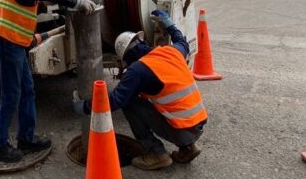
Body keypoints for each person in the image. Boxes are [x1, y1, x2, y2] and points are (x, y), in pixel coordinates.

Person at [0, 0, 97, 163]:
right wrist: (74, 1)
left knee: (28, 90)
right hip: (7, 42)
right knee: (11, 95)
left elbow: (24, 1)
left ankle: (26, 138)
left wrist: (48, 6)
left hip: (15, 43)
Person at [73, 9, 207, 170]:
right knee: (158, 100)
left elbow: (116, 100)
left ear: (127, 57)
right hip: (199, 126)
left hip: (182, 131)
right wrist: (169, 24)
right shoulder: (171, 52)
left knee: (129, 103)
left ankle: (156, 153)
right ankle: (189, 147)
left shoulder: (138, 70)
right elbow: (182, 41)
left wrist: (85, 107)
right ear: (141, 42)